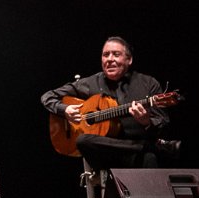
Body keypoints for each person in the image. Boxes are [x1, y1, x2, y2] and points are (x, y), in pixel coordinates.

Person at [41, 36, 176, 169]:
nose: (110, 59)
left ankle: (144, 148)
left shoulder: (148, 83)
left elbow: (163, 123)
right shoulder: (90, 83)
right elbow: (48, 96)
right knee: (83, 140)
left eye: (116, 54)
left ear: (129, 60)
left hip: (137, 156)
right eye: (106, 55)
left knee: (149, 158)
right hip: (105, 157)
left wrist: (147, 122)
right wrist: (64, 110)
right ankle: (150, 147)